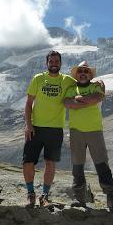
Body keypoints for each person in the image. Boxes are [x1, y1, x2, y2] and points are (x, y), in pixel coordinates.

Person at [64, 61, 113, 212]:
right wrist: (83, 101)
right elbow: (67, 103)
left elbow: (97, 98)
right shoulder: (71, 89)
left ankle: (112, 198)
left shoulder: (96, 86)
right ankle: (79, 198)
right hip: (76, 131)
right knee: (77, 165)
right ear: (76, 74)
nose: (83, 73)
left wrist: (78, 100)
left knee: (101, 163)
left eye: (86, 71)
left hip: (94, 130)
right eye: (80, 71)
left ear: (90, 75)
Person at [23, 50, 76, 208]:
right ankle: (30, 193)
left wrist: (98, 83)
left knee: (50, 164)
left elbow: (83, 82)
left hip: (55, 129)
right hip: (36, 128)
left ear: (60, 63)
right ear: (47, 63)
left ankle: (44, 196)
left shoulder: (67, 80)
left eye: (56, 61)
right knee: (27, 162)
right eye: (51, 61)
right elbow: (28, 103)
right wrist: (28, 125)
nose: (54, 64)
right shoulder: (38, 79)